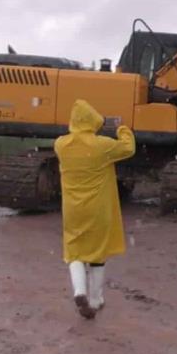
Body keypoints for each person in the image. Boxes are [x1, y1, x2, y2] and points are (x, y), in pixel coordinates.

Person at [54, 99, 136, 320]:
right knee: (98, 253)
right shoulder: (102, 145)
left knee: (74, 252)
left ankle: (79, 291)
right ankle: (95, 299)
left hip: (72, 209)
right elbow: (129, 148)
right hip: (98, 208)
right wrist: (122, 129)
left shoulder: (61, 144)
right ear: (92, 122)